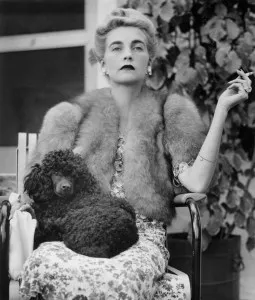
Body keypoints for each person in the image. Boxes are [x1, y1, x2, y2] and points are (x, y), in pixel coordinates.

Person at [17, 8, 252, 300]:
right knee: (42, 264)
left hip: (141, 239)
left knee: (118, 279)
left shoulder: (171, 113)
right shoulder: (74, 116)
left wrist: (222, 110)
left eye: (137, 47)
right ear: (103, 63)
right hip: (77, 231)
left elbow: (197, 183)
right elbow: (38, 187)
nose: (127, 54)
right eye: (117, 47)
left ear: (150, 63)